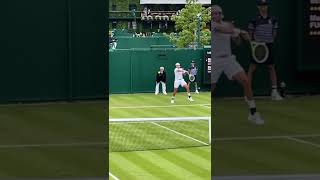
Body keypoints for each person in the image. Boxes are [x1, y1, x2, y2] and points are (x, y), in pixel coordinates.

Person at [211, 5, 264, 125]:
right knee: (210, 89)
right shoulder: (212, 25)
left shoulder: (227, 25)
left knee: (245, 81)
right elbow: (228, 30)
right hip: (214, 61)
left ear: (221, 14)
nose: (215, 15)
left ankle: (253, 113)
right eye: (213, 14)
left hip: (229, 59)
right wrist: (239, 31)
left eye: (218, 13)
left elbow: (238, 42)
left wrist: (237, 37)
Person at [247, 0, 283, 100]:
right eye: (261, 5)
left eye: (265, 5)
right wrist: (255, 45)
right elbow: (250, 34)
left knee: (271, 67)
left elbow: (274, 33)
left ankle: (274, 92)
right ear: (258, 7)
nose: (264, 7)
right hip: (257, 46)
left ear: (267, 7)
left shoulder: (273, 19)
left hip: (269, 45)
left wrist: (269, 41)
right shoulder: (254, 20)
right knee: (252, 68)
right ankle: (247, 92)